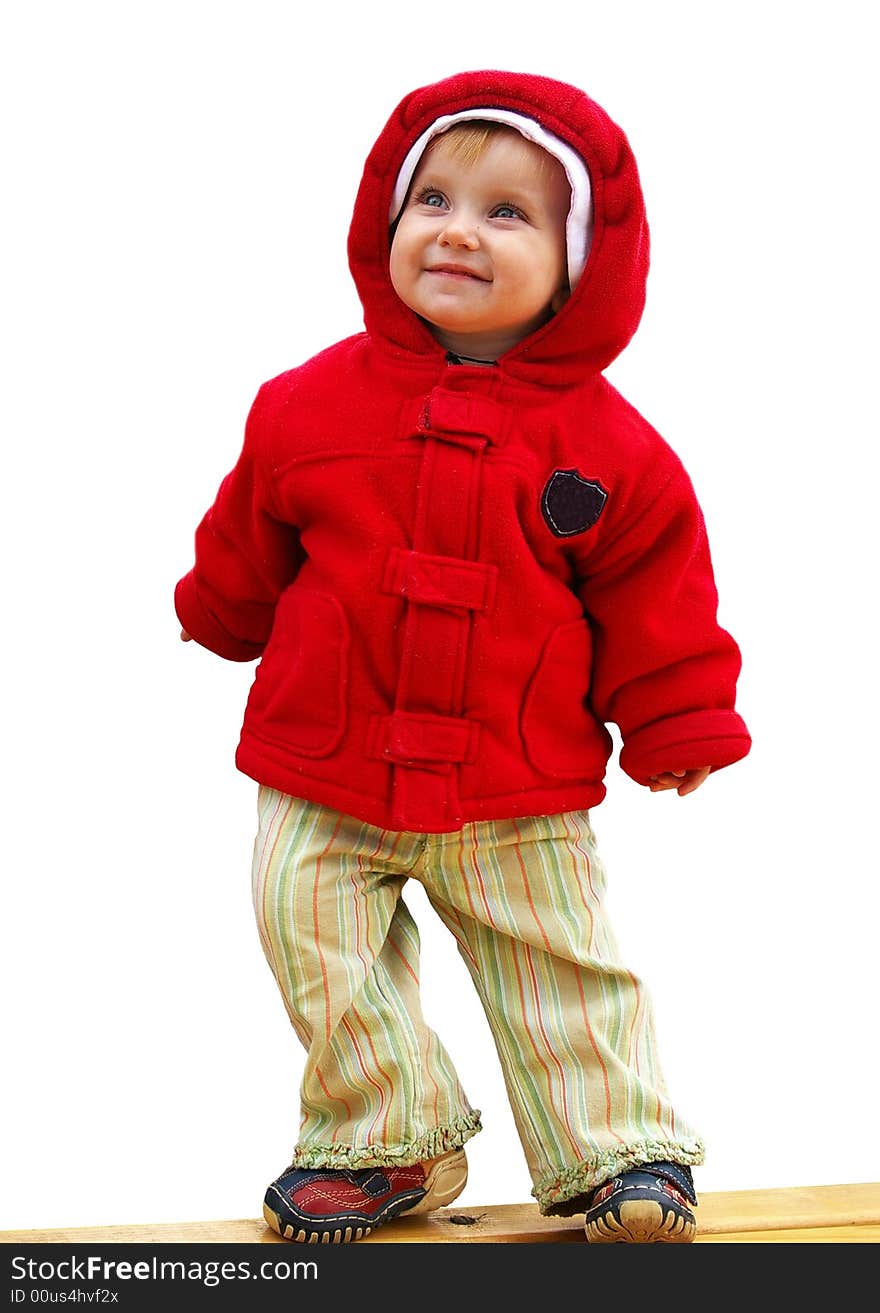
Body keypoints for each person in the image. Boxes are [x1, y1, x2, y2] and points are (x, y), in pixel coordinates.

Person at [175, 69, 751, 1244]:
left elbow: (657, 593)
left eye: (507, 212)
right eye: (430, 196)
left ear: (583, 261)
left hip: (514, 775)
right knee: (316, 942)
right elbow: (251, 532)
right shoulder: (302, 407)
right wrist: (220, 607)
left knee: (557, 962)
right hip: (322, 759)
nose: (455, 229)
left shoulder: (612, 448)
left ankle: (615, 1155)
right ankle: (388, 1141)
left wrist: (677, 716)